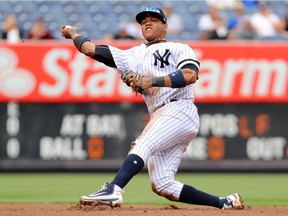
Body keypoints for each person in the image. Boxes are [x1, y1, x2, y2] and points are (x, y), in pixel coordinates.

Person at [60, 7, 244, 210]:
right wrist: (73, 34)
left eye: (154, 19)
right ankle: (225, 203)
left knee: (142, 143)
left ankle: (114, 189)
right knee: (162, 184)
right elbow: (90, 49)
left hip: (179, 108)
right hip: (161, 114)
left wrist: (151, 81)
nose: (147, 22)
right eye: (143, 20)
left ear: (165, 26)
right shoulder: (130, 56)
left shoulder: (179, 48)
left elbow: (190, 75)